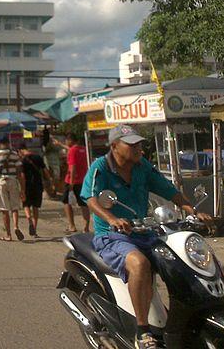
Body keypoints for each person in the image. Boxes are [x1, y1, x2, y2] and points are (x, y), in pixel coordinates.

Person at [80, 124, 213, 349]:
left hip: (143, 231)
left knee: (179, 262)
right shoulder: (100, 168)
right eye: (131, 144)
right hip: (112, 236)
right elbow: (90, 199)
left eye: (139, 143)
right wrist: (112, 219)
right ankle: (142, 332)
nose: (137, 148)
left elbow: (168, 189)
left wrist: (192, 210)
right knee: (139, 263)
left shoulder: (142, 167)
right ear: (114, 146)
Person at [0, 136, 26, 242]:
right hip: (13, 180)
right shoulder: (15, 154)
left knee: (4, 209)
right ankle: (16, 226)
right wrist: (22, 188)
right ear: (8, 143)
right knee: (14, 207)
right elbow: (19, 173)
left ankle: (9, 235)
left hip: (2, 182)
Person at [56, 132, 90, 233]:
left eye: (66, 140)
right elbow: (70, 149)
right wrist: (60, 144)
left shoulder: (72, 151)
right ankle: (86, 226)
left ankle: (72, 225)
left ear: (70, 140)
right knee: (84, 204)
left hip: (72, 181)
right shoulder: (83, 149)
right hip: (83, 180)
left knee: (67, 203)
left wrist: (71, 183)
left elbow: (72, 167)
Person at [19, 145, 55, 237]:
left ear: (21, 151)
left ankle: (29, 220)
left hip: (27, 185)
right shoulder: (38, 157)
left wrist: (22, 188)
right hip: (38, 185)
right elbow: (45, 171)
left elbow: (22, 175)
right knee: (36, 207)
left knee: (26, 204)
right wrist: (50, 182)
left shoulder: (22, 161)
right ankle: (34, 229)